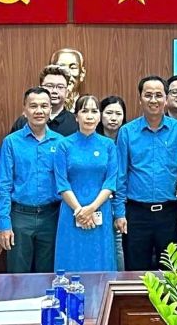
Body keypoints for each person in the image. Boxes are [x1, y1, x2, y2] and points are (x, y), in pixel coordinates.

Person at [114, 76, 177, 270]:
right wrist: (119, 213)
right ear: (140, 99)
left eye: (158, 95)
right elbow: (120, 175)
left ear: (166, 98)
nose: (153, 100)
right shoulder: (127, 132)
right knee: (136, 272)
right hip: (136, 214)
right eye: (148, 95)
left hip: (171, 214)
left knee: (173, 273)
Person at [0, 87, 63, 273]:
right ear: (24, 110)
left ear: (50, 110)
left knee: (48, 275)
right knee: (17, 275)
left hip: (52, 217)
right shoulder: (11, 142)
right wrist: (3, 224)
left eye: (44, 106)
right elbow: (3, 186)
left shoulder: (61, 143)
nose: (39, 111)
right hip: (20, 217)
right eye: (33, 106)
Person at [54, 95, 119, 271]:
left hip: (101, 210)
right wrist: (79, 211)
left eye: (94, 111)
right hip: (71, 211)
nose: (89, 116)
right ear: (76, 116)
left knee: (101, 262)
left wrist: (91, 209)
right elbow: (62, 183)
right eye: (84, 111)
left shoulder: (108, 145)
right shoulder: (64, 145)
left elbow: (110, 182)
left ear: (99, 116)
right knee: (71, 261)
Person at [96, 95, 127, 270]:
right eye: (109, 113)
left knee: (118, 248)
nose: (113, 118)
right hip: (96, 203)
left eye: (118, 113)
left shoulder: (127, 139)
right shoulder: (94, 140)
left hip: (122, 202)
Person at [10, 65, 78, 137]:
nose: (54, 91)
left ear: (67, 92)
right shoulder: (23, 122)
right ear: (40, 89)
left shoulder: (76, 122)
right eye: (49, 86)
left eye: (60, 87)